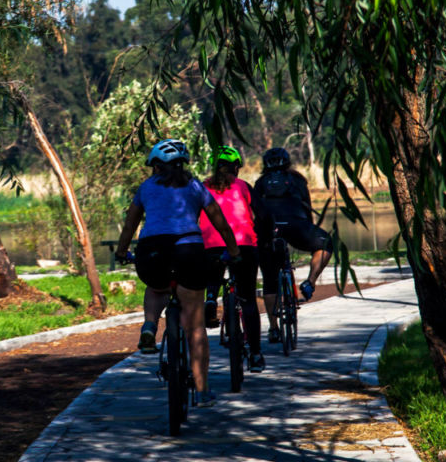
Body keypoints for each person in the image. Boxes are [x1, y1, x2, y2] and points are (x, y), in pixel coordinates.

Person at [115, 139, 240, 407]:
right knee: (195, 327)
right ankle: (203, 390)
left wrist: (121, 252)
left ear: (156, 166)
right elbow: (221, 223)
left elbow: (129, 226)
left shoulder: (146, 188)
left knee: (156, 286)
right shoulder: (196, 186)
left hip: (152, 252)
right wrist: (234, 251)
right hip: (190, 251)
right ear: (183, 165)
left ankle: (149, 326)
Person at [199, 146, 267, 373]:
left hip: (210, 245)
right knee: (247, 299)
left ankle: (210, 297)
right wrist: (265, 238)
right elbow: (264, 216)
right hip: (244, 246)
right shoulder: (244, 186)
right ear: (236, 167)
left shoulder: (200, 187)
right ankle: (256, 355)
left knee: (212, 273)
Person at [253, 146, 331, 342]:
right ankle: (310, 282)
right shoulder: (297, 180)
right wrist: (310, 231)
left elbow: (254, 211)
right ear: (288, 162)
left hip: (269, 231)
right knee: (326, 244)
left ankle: (273, 328)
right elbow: (307, 207)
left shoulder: (260, 182)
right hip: (297, 226)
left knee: (270, 281)